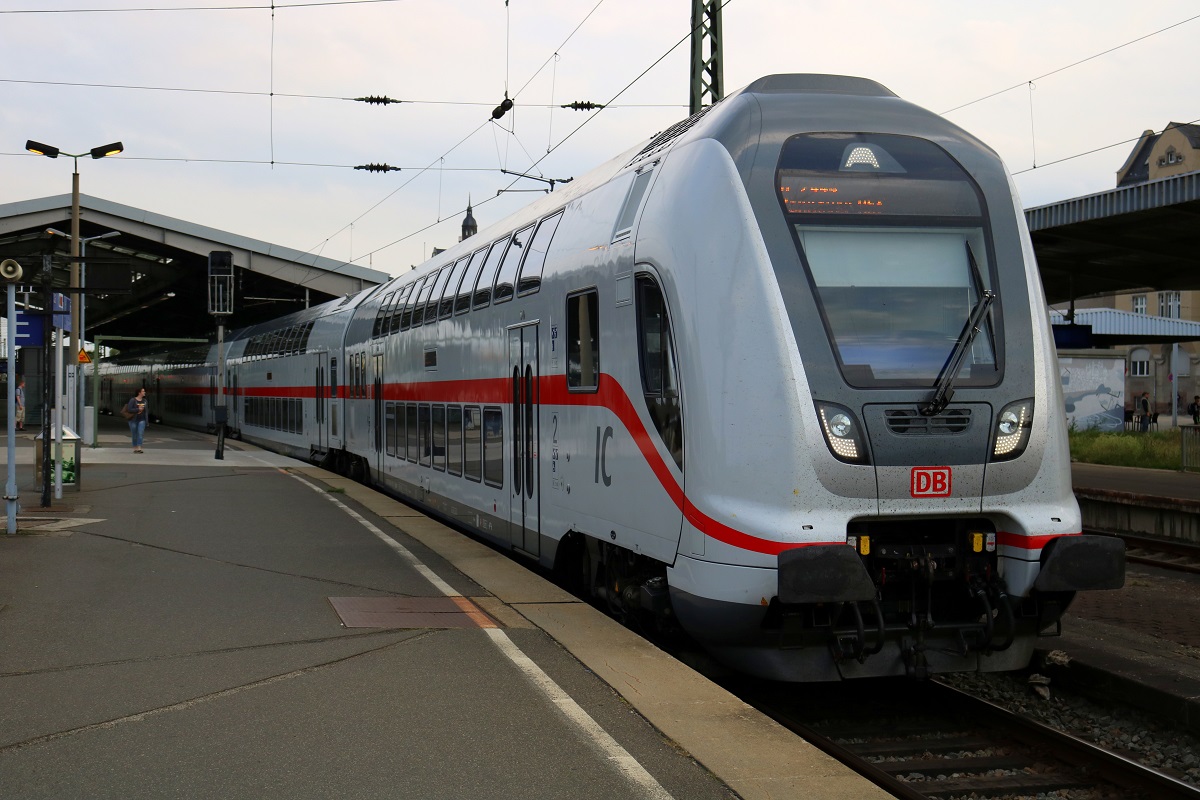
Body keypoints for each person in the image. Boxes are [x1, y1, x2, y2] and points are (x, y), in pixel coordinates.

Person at [125, 387, 148, 453]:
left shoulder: (145, 401)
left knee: (140, 433)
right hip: (133, 420)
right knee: (134, 434)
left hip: (142, 420)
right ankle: (135, 447)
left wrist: (147, 421)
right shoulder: (133, 400)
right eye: (143, 391)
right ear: (139, 392)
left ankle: (139, 447)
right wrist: (138, 409)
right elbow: (129, 409)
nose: (144, 392)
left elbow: (146, 411)